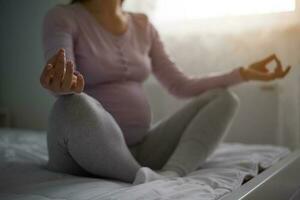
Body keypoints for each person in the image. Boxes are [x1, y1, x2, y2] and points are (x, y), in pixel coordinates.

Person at [40, 0, 291, 184]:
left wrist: (243, 73)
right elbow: (62, 74)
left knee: (223, 98)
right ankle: (139, 176)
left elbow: (180, 85)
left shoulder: (142, 25)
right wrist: (61, 85)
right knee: (72, 104)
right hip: (83, 156)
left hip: (141, 150)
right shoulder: (63, 17)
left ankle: (169, 175)